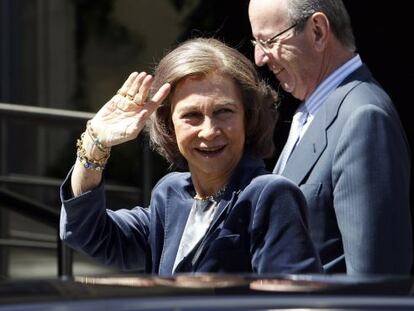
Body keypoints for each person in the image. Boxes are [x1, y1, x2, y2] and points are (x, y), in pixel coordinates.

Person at [59, 38, 322, 275]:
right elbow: (89, 233)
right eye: (192, 116)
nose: (209, 131)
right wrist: (96, 142)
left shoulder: (269, 195)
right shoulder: (171, 194)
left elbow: (295, 301)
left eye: (224, 112)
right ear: (168, 124)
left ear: (248, 117)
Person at [248, 0, 412, 274]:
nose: (259, 58)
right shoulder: (313, 110)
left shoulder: (363, 118)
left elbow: (375, 284)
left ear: (318, 32)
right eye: (256, 42)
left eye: (268, 41)